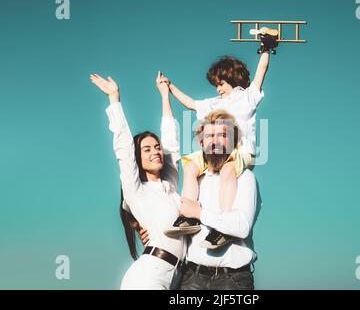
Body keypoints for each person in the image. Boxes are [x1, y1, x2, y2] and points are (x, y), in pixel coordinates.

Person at [90, 72, 192, 289]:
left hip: (176, 277)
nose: (155, 152)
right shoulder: (136, 191)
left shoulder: (170, 186)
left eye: (156, 147)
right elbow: (124, 149)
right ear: (138, 158)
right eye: (146, 149)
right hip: (149, 277)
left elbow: (171, 144)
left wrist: (165, 96)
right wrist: (114, 100)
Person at [163, 52, 270, 249]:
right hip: (217, 150)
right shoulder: (215, 103)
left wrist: (266, 48)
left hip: (242, 151)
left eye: (220, 83)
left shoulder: (247, 96)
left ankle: (223, 227)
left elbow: (261, 70)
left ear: (232, 78)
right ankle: (189, 217)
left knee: (228, 171)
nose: (218, 89)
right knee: (191, 165)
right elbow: (191, 103)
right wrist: (170, 87)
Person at [176, 109, 259, 289]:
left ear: (234, 141)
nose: (215, 141)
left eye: (222, 135)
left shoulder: (244, 178)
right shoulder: (197, 179)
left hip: (232, 280)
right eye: (209, 136)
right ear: (201, 142)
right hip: (191, 278)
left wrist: (199, 213)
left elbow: (241, 227)